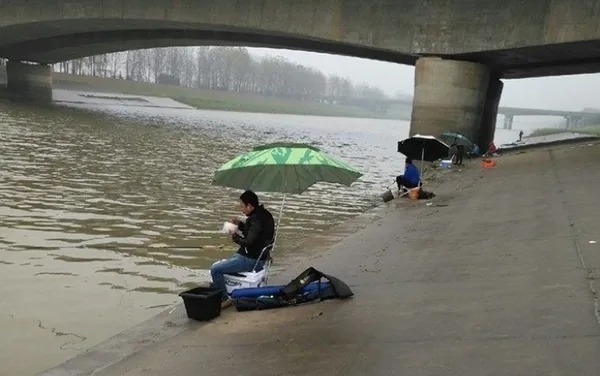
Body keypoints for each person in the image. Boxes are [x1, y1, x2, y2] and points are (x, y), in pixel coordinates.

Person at [210, 190, 275, 300]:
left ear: (249, 206)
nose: (241, 209)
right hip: (257, 256)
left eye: (242, 206)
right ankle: (219, 288)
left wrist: (234, 235)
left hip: (252, 260)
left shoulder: (256, 220)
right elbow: (254, 233)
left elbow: (248, 242)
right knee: (229, 260)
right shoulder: (263, 214)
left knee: (215, 269)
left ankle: (224, 298)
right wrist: (240, 224)